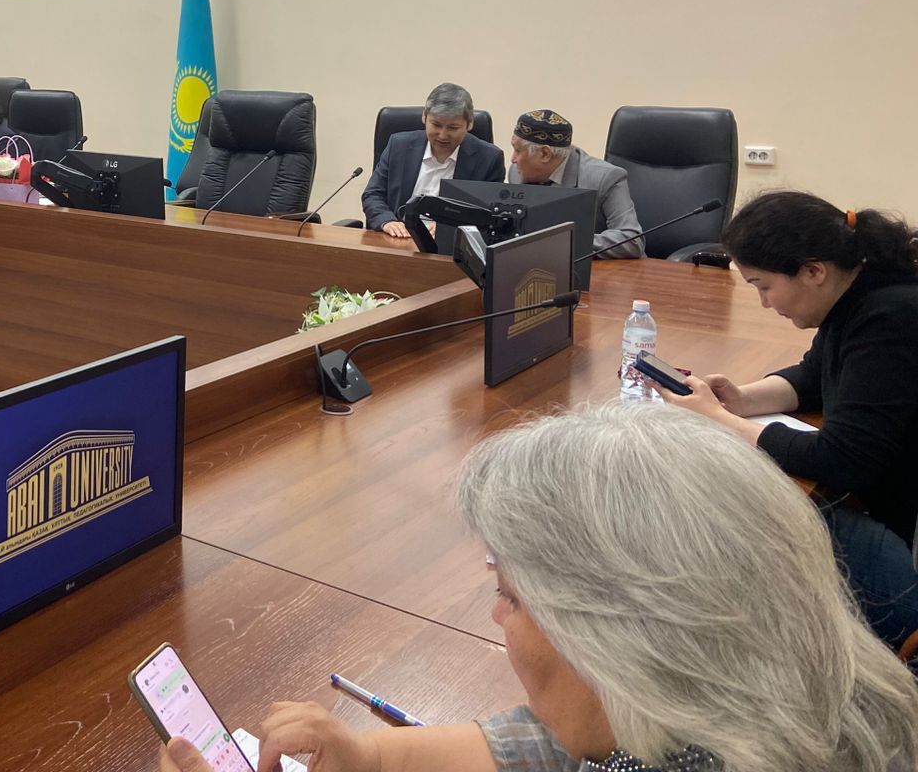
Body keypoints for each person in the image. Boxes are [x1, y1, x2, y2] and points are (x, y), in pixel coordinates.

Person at [159, 406, 918, 772]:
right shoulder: (737, 699)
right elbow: (553, 743)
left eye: (514, 596)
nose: (496, 614)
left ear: (626, 640)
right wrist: (369, 757)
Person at [665, 190, 918, 651]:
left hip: (904, 545)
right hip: (887, 504)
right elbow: (816, 374)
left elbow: (844, 460)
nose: (764, 303)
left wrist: (721, 421)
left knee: (742, 519)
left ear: (813, 271)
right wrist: (741, 400)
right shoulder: (859, 291)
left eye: (763, 285)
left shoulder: (891, 316)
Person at [361, 83, 504, 236]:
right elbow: (373, 194)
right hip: (398, 239)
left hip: (450, 246)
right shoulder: (398, 146)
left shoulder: (489, 159)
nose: (442, 135)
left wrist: (449, 227)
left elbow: (489, 214)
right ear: (424, 117)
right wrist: (388, 221)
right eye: (436, 125)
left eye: (453, 128)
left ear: (469, 124)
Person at [508, 109, 644, 258]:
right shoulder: (517, 173)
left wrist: (562, 243)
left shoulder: (605, 178)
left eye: (518, 151)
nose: (513, 159)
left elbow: (631, 241)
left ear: (545, 154)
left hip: (602, 268)